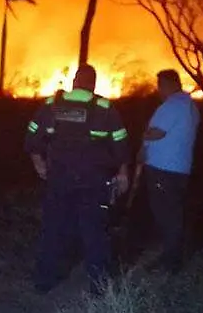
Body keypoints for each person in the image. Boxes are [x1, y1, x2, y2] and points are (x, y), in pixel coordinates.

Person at [25, 64, 130, 294]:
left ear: (74, 82)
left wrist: (38, 163)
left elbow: (32, 136)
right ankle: (99, 288)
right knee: (95, 232)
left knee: (53, 229)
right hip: (93, 181)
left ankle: (44, 282)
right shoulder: (105, 108)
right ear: (93, 85)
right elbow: (121, 146)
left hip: (58, 179)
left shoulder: (52, 105)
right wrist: (122, 173)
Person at [137, 69, 201, 273]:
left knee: (166, 215)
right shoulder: (191, 106)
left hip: (163, 169)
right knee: (173, 213)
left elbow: (156, 133)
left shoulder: (172, 105)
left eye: (160, 86)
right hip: (180, 169)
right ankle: (171, 256)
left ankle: (170, 261)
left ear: (168, 84)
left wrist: (143, 135)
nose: (158, 91)